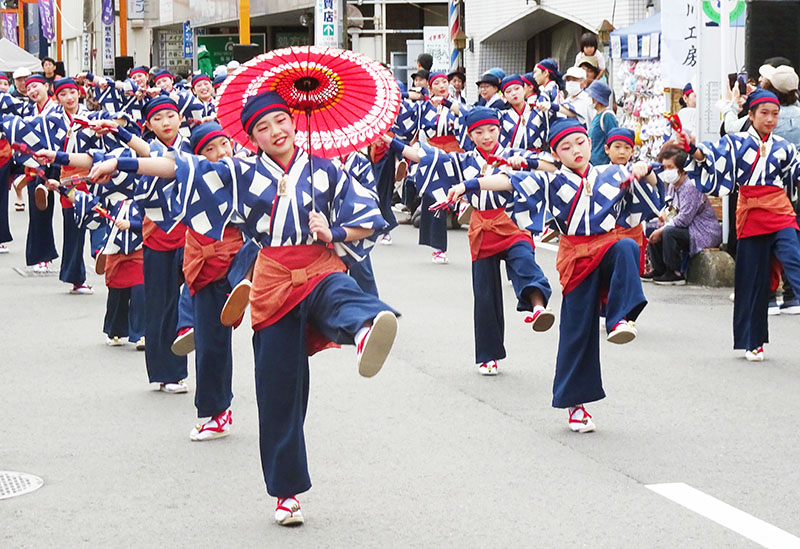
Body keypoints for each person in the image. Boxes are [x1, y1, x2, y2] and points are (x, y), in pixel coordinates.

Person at [87, 90, 399, 526]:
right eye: (262, 128)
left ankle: (365, 330)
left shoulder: (329, 171)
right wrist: (123, 163)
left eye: (280, 121)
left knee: (338, 294)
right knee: (278, 393)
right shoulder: (240, 172)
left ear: (294, 120)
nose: (275, 132)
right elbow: (182, 166)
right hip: (270, 279)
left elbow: (368, 217)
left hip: (316, 264)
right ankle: (286, 493)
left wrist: (336, 230)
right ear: (251, 137)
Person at [449, 118, 661, 431]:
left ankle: (618, 319)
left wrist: (647, 171)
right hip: (575, 258)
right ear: (555, 154)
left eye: (580, 142)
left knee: (627, 249)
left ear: (590, 143)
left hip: (606, 247)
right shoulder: (552, 181)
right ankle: (576, 406)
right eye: (565, 146)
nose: (575, 150)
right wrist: (468, 185)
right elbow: (508, 182)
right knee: (576, 333)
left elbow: (653, 182)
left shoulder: (610, 172)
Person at [387, 107, 555, 376]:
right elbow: (420, 156)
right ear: (470, 135)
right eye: (479, 132)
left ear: (500, 130)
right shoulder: (462, 161)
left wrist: (526, 164)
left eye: (492, 130)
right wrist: (388, 140)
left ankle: (537, 307)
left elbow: (552, 165)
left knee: (524, 262)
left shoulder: (514, 155)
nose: (486, 136)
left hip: (511, 224)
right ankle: (488, 355)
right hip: (481, 228)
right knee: (485, 296)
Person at [681, 89, 800, 362]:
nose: (770, 119)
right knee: (752, 279)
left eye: (775, 114)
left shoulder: (786, 147)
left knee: (794, 258)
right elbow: (709, 158)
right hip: (751, 213)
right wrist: (693, 150)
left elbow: (794, 174)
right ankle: (753, 340)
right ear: (751, 114)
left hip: (780, 210)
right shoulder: (736, 143)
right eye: (764, 113)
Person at [755, 64, 800, 313]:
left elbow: (732, 129)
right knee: (792, 242)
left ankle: (769, 294)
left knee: (766, 241)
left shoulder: (768, 118)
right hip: (795, 189)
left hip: (769, 191)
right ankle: (793, 294)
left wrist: (732, 104)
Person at [644, 146, 722, 285]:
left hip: (703, 231)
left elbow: (684, 219)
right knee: (656, 228)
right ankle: (659, 269)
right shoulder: (674, 186)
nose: (667, 171)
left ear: (681, 168)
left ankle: (674, 272)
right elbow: (672, 209)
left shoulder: (690, 186)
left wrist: (662, 229)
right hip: (687, 227)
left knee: (667, 232)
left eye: (670, 167)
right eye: (664, 167)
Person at [585, 80, 617, 165]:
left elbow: (613, 141)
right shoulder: (597, 115)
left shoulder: (607, 116)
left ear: (596, 99)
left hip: (602, 165)